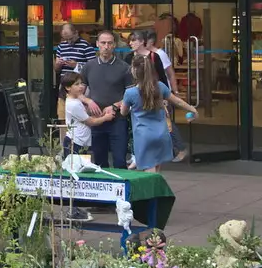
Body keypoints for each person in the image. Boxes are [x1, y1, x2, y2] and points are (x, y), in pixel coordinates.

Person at [129, 28, 197, 161]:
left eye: (134, 40)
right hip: (139, 94)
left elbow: (165, 75)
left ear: (145, 41)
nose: (131, 43)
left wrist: (170, 93)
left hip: (155, 93)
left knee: (165, 122)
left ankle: (178, 148)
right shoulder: (130, 57)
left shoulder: (156, 55)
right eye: (130, 41)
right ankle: (141, 153)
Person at [79, 30, 132, 169]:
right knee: (99, 161)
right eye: (103, 43)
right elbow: (78, 93)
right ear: (97, 44)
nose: (106, 46)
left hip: (118, 119)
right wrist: (88, 101)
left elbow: (131, 94)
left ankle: (123, 188)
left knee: (120, 160)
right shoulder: (88, 67)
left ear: (114, 45)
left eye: (109, 43)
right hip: (97, 119)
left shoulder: (124, 68)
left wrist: (115, 106)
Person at [123, 52, 176, 173]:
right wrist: (192, 109)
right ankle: (158, 192)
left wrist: (128, 107)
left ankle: (152, 192)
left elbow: (123, 112)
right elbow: (177, 101)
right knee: (157, 168)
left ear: (134, 71)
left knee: (149, 169)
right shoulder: (160, 87)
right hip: (162, 133)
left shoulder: (130, 93)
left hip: (143, 135)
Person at [60, 71, 114, 158]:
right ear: (68, 87)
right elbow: (91, 122)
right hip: (75, 142)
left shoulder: (75, 99)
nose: (81, 86)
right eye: (76, 84)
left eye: (81, 83)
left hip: (79, 141)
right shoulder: (74, 104)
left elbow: (86, 117)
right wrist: (106, 118)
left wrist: (100, 115)